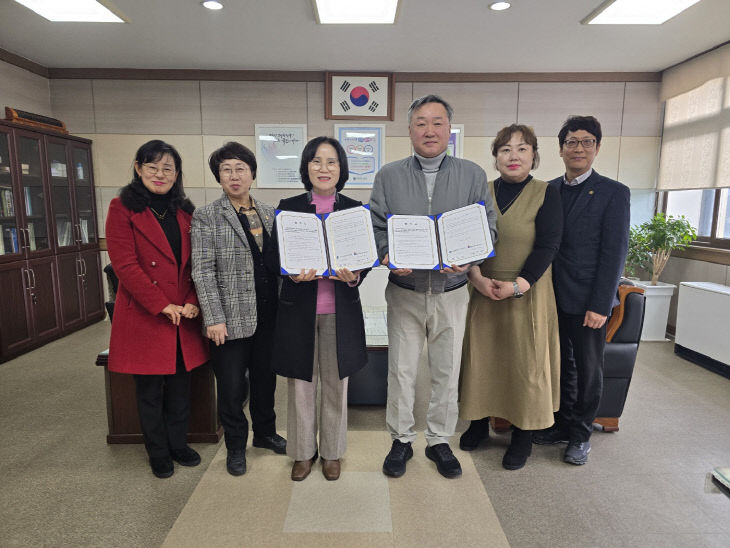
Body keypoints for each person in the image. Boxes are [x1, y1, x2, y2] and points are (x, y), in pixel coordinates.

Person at [370, 95, 498, 479]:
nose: (430, 130)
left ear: (449, 130)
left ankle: (440, 440)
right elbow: (376, 226)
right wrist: (388, 255)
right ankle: (401, 439)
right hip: (404, 291)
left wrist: (472, 257)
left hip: (454, 290)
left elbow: (488, 226)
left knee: (447, 369)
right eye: (421, 123)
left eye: (437, 122)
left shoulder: (473, 174)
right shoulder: (388, 176)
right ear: (409, 130)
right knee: (402, 371)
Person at [458, 124, 562, 470]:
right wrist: (477, 278)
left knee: (525, 364)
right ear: (495, 157)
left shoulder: (546, 192)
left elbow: (547, 246)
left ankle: (522, 436)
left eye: (522, 149)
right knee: (483, 360)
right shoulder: (480, 192)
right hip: (484, 288)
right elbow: (467, 242)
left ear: (534, 156)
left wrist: (519, 284)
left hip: (527, 292)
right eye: (505, 150)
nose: (513, 156)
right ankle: (477, 424)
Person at [105, 140, 209, 479]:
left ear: (177, 173)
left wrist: (193, 300)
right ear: (138, 168)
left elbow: (199, 264)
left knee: (181, 388)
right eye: (152, 167)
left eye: (168, 168)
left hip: (183, 315)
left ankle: (178, 444)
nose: (160, 174)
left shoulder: (185, 210)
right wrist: (160, 304)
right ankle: (158, 451)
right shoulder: (122, 208)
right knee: (149, 391)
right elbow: (124, 264)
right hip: (147, 313)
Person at [532, 115, 630, 465]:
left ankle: (581, 434)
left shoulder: (614, 193)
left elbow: (614, 252)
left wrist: (601, 303)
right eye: (572, 141)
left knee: (589, 368)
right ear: (560, 149)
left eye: (587, 141)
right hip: (549, 295)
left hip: (589, 298)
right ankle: (560, 424)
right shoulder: (548, 190)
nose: (579, 148)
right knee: (559, 365)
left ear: (598, 148)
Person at [271, 136, 369, 482]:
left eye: (331, 162)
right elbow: (275, 258)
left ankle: (332, 452)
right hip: (299, 310)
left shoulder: (355, 209)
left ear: (341, 169)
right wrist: (292, 275)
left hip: (339, 311)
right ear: (306, 167)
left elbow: (364, 260)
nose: (323, 168)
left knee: (335, 385)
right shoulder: (289, 206)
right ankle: (302, 453)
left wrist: (355, 275)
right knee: (300, 385)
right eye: (316, 161)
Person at [191, 142, 285, 477]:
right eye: (227, 169)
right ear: (218, 175)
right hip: (228, 320)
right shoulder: (206, 216)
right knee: (231, 388)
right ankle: (235, 445)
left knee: (265, 382)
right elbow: (202, 270)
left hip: (269, 314)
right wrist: (213, 318)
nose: (234, 175)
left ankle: (265, 433)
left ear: (253, 174)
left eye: (241, 168)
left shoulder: (270, 212)